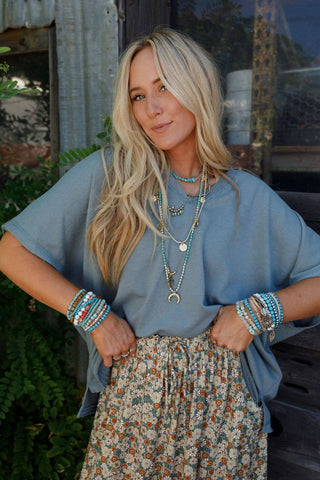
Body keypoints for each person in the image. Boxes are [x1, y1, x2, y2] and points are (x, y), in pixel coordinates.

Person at [0, 28, 320, 480]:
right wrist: (92, 315)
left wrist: (256, 313)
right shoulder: (111, 176)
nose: (151, 109)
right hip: (135, 403)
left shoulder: (249, 196)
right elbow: (11, 252)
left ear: (197, 87)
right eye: (137, 95)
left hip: (225, 409)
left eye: (164, 87)